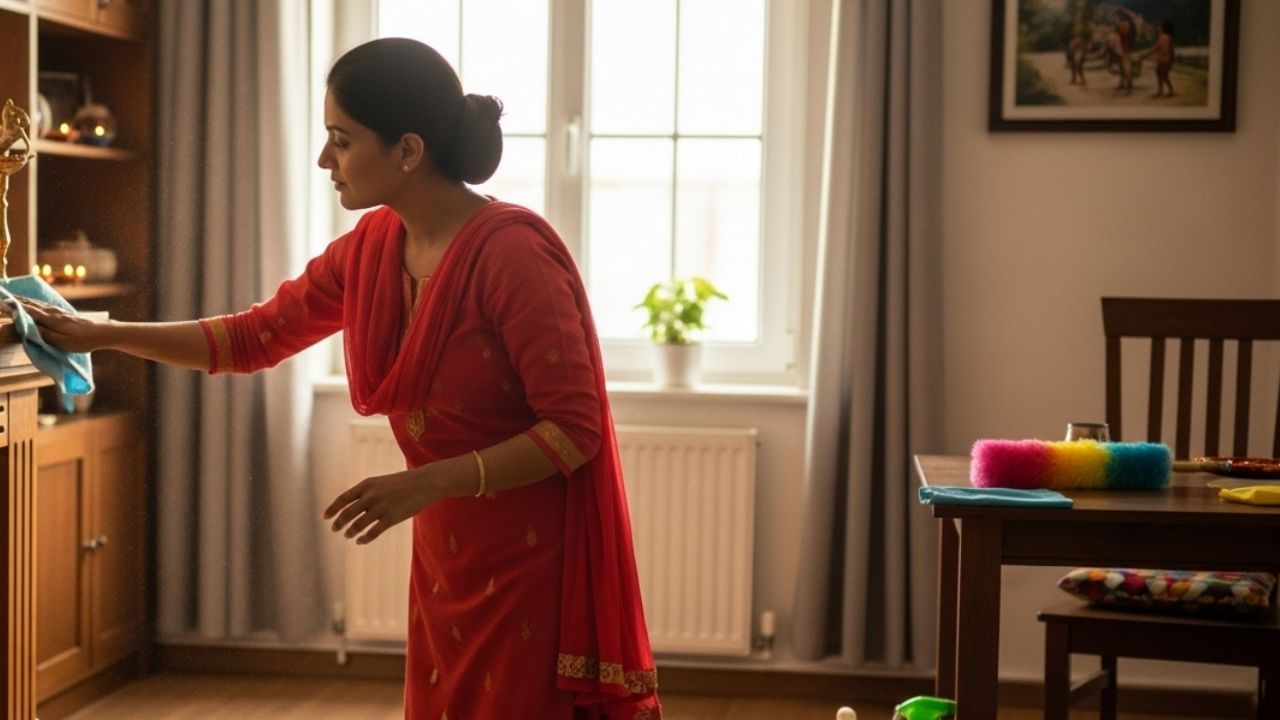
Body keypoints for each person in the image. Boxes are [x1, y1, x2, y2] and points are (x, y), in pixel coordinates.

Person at [21, 37, 661, 720]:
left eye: (342, 140)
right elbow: (250, 338)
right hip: (448, 556)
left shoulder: (513, 256)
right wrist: (107, 333)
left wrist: (426, 482)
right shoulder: (372, 250)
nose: (324, 160)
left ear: (408, 150)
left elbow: (574, 430)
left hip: (534, 564)